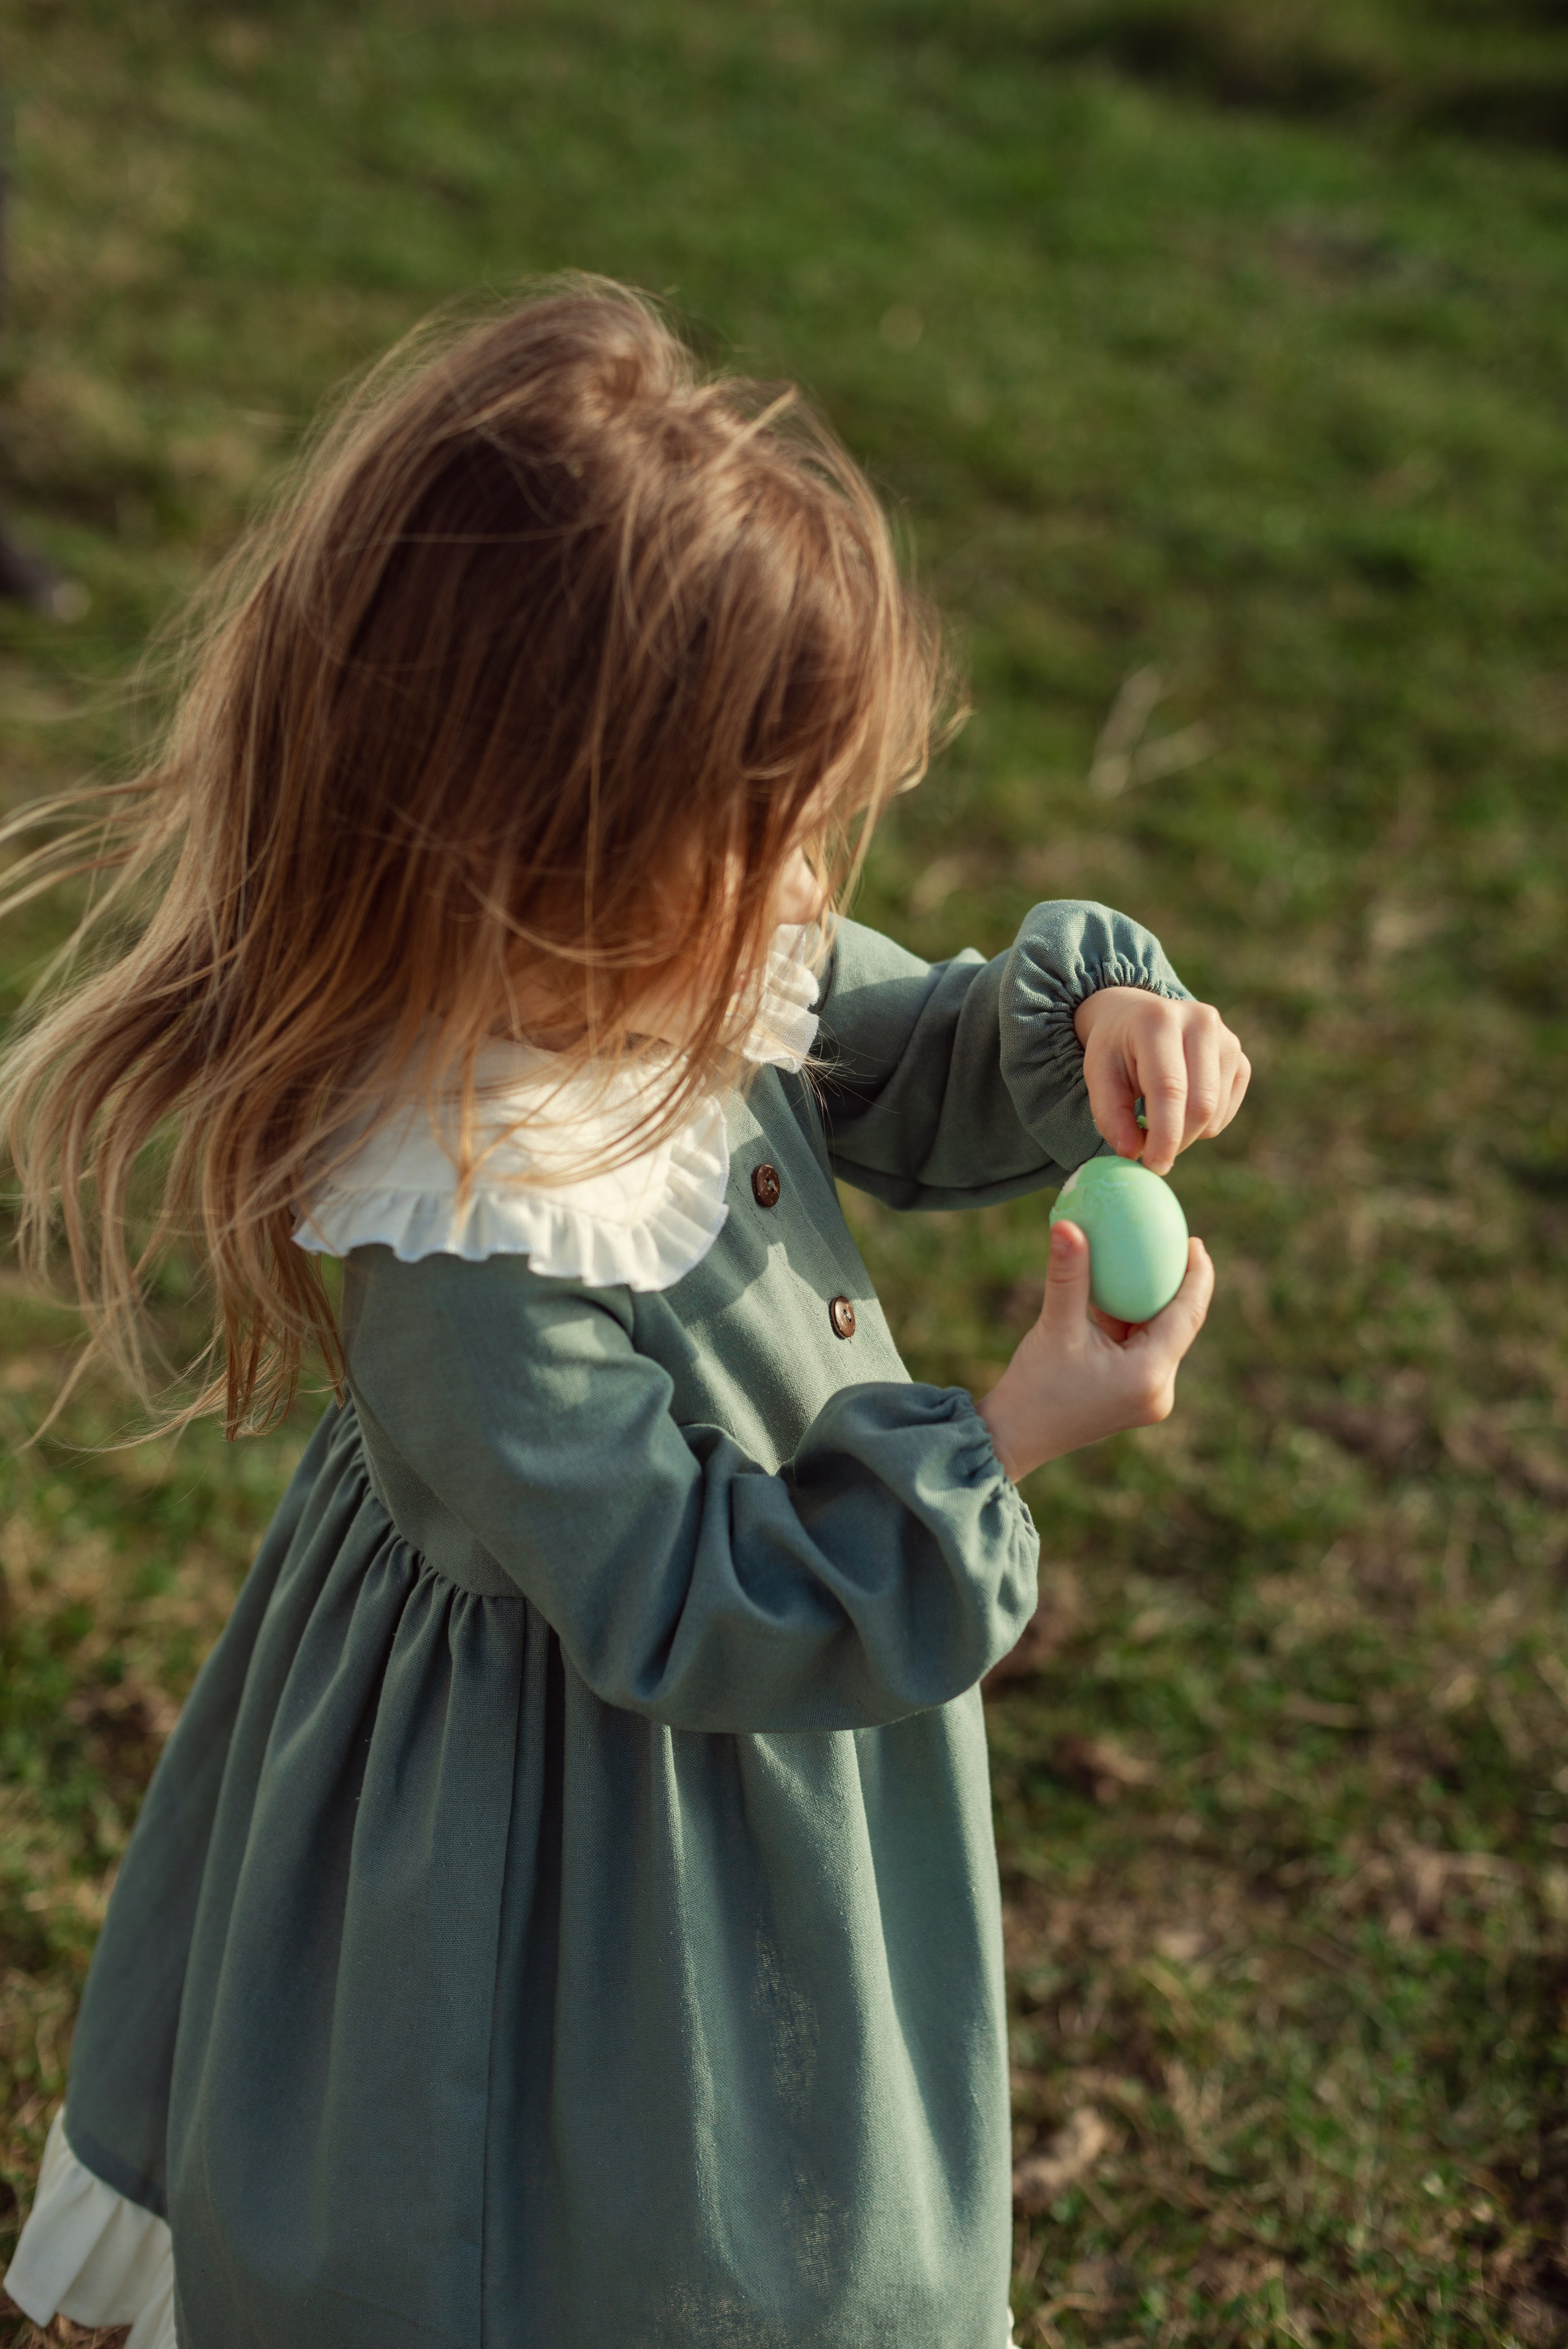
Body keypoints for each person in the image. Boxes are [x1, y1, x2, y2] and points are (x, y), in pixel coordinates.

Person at [0, 279, 1248, 2349]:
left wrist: (1088, 1030)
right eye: (763, 835)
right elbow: (686, 1599)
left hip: (739, 1722)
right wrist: (1003, 1437)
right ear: (554, 852)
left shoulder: (660, 946)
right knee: (615, 2223)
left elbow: (886, 1051)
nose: (807, 886)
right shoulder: (467, 1230)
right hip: (573, 1819)